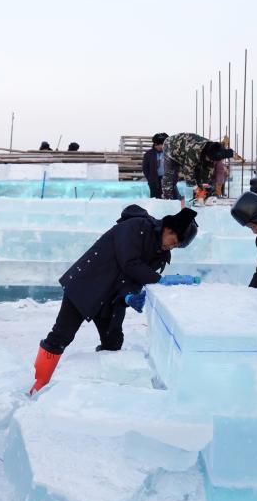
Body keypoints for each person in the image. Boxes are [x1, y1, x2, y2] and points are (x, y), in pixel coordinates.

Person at [29, 205, 199, 395]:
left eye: (176, 246)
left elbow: (135, 280)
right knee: (61, 336)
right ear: (168, 229)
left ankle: (100, 390)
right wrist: (160, 280)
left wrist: (129, 296)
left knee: (113, 342)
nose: (171, 247)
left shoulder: (161, 256)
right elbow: (129, 263)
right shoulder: (136, 227)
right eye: (174, 241)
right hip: (86, 285)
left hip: (111, 298)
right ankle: (40, 383)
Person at [162, 133, 233, 200]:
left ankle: (200, 198)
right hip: (171, 146)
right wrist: (197, 189)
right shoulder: (193, 150)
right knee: (171, 174)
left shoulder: (214, 150)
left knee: (199, 172)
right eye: (210, 159)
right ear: (207, 155)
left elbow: (206, 173)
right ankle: (167, 199)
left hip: (187, 149)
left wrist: (204, 189)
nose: (211, 161)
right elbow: (188, 172)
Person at [141, 132, 168, 199]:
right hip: (154, 181)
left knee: (169, 199)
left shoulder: (169, 154)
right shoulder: (148, 154)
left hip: (167, 180)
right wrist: (150, 179)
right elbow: (145, 168)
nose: (160, 146)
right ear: (154, 144)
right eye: (157, 144)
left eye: (162, 144)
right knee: (155, 199)